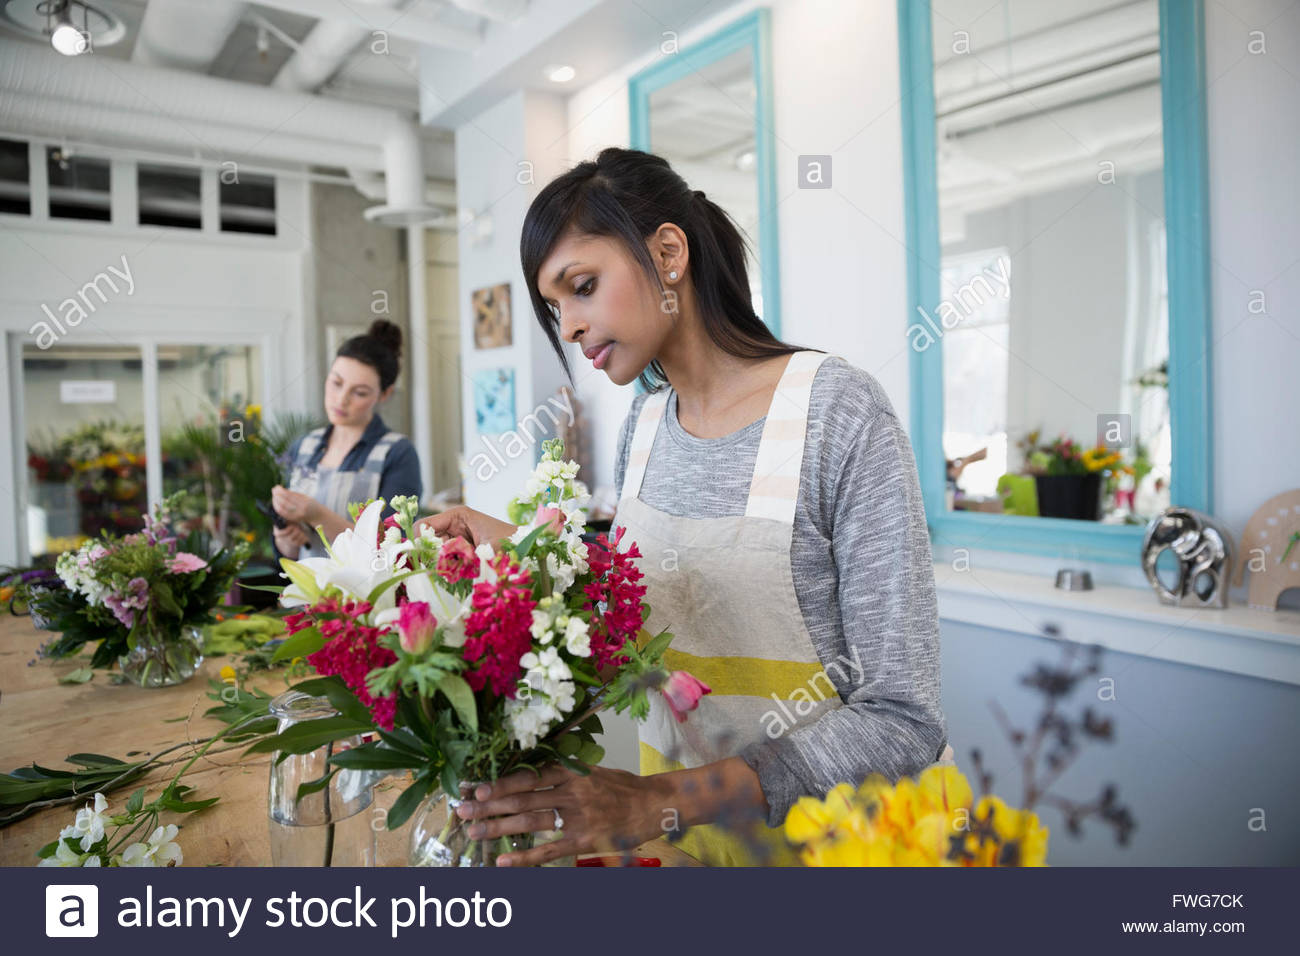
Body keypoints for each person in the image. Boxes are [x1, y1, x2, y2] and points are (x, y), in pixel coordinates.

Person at [419, 147, 949, 866]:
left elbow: (901, 720)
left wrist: (657, 799)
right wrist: (515, 545)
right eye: (555, 307)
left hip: (842, 855)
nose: (569, 327)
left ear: (669, 252)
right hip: (689, 852)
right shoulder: (646, 427)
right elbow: (652, 608)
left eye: (582, 286)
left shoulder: (836, 411)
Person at [272, 319, 422, 559]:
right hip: (307, 593)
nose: (341, 400)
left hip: (365, 595)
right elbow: (291, 555)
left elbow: (391, 547)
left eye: (359, 392)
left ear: (385, 394)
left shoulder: (397, 453)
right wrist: (285, 539)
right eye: (336, 383)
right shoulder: (304, 447)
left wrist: (317, 515)